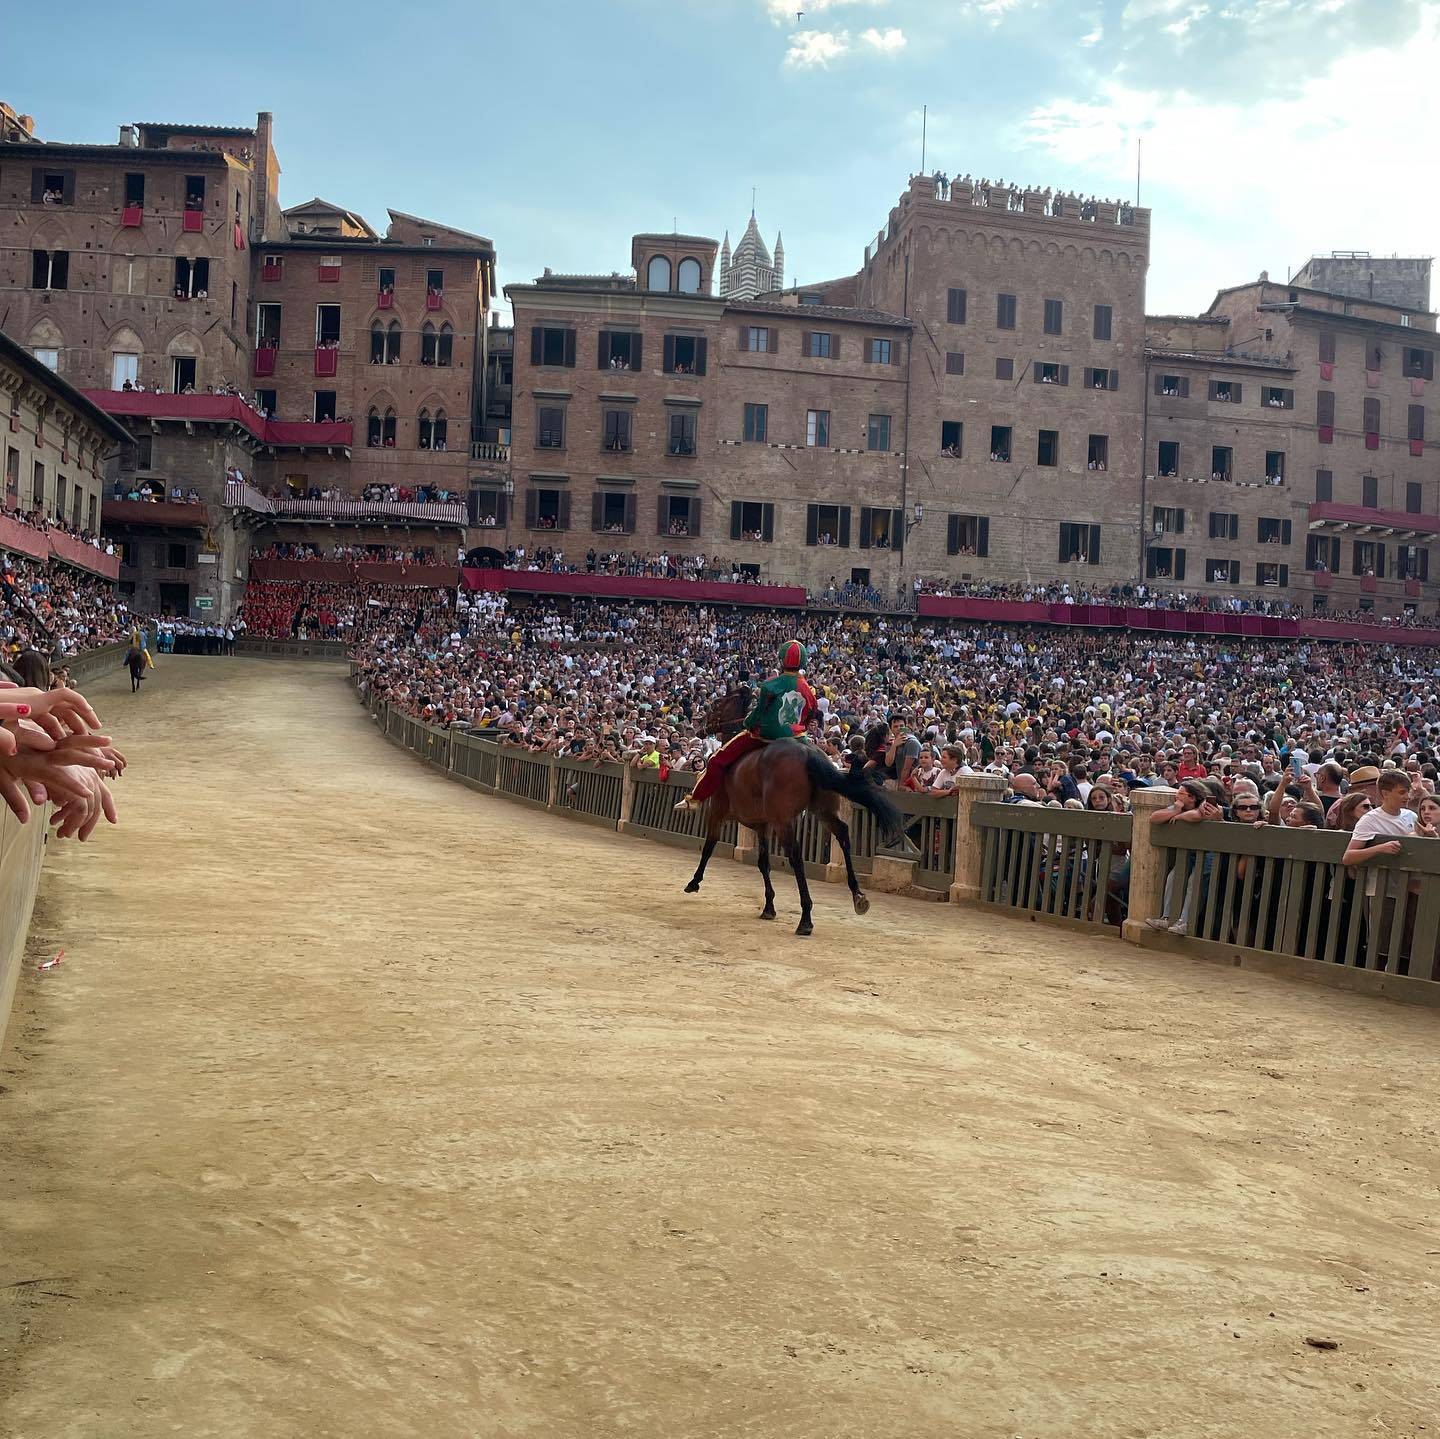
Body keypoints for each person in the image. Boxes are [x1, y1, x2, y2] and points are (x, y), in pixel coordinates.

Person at [674, 640, 816, 811]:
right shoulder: (809, 690)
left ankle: (694, 800)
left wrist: (748, 723)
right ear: (803, 662)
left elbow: (758, 714)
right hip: (797, 738)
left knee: (717, 759)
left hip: (766, 736)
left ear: (781, 660)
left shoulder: (770, 685)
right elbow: (809, 717)